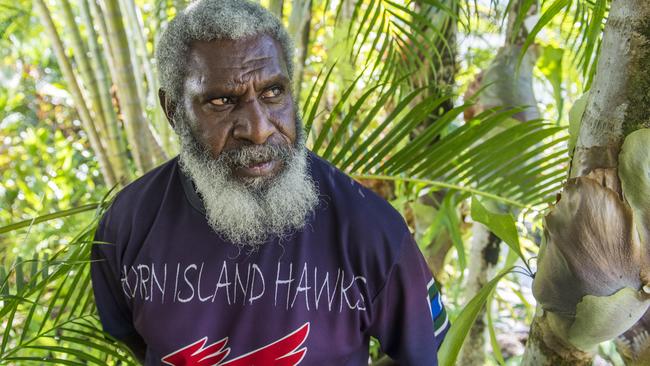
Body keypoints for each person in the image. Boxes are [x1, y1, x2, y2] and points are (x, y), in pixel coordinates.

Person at [90, 0, 449, 364]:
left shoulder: (370, 229)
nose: (259, 130)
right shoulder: (128, 223)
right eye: (222, 101)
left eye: (273, 92)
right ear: (173, 112)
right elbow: (136, 341)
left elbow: (422, 348)